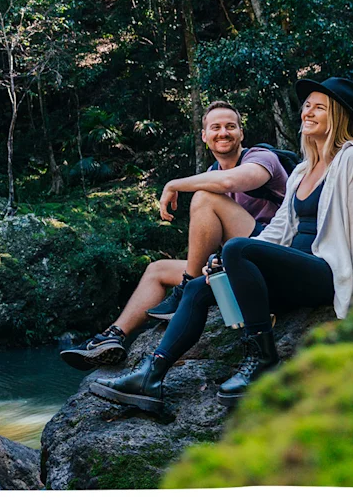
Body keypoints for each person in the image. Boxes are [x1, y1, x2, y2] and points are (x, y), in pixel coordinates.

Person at [88, 77, 353, 412]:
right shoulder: (304, 169)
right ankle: (151, 375)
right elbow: (278, 230)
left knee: (237, 248)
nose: (307, 112)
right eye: (306, 105)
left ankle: (262, 359)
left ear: (339, 116)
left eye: (319, 107)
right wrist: (226, 263)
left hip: (326, 272)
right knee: (202, 285)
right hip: (293, 268)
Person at [59, 101, 289, 370]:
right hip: (238, 261)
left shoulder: (262, 158)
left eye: (230, 126)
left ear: (241, 133)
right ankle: (112, 337)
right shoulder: (211, 175)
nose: (223, 133)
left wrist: (173, 184)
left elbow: (230, 182)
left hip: (274, 251)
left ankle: (186, 287)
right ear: (205, 136)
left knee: (205, 198)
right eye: (215, 127)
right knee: (157, 270)